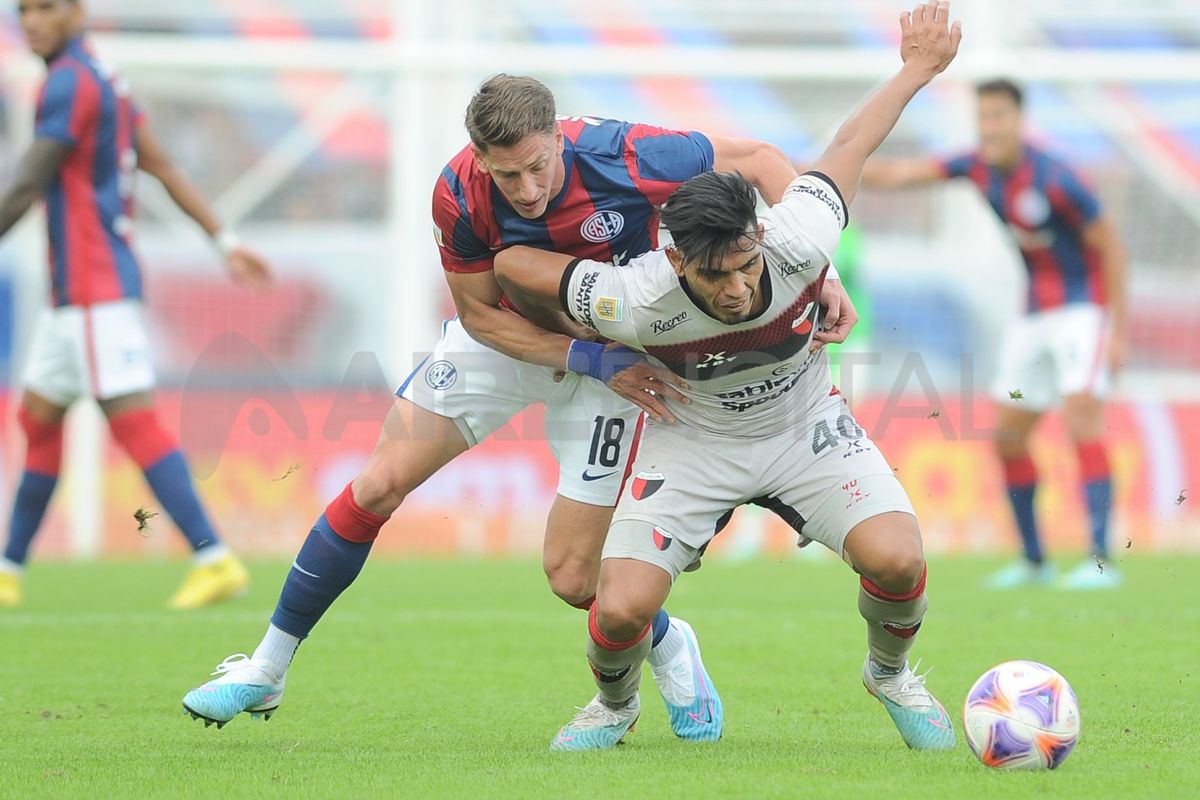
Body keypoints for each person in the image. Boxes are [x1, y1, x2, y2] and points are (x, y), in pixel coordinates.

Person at [181, 74, 858, 735]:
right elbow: (478, 315)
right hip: (522, 347)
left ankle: (670, 641)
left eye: (538, 168)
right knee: (378, 484)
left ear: (557, 139)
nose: (528, 191)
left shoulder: (624, 153)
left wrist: (815, 277)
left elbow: (766, 162)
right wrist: (585, 355)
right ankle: (267, 667)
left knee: (572, 576)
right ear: (480, 160)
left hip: (616, 365)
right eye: (509, 177)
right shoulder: (456, 194)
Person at [492, 1, 961, 752]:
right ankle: (614, 705)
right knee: (616, 612)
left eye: (747, 264)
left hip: (807, 430)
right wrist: (594, 349)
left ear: (759, 238)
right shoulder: (637, 296)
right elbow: (511, 264)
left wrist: (917, 67)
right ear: (677, 263)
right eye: (717, 277)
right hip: (691, 442)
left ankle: (891, 673)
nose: (740, 289)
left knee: (901, 561)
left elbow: (848, 143)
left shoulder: (799, 235)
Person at [0, 0, 271, 609]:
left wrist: (223, 241)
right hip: (75, 297)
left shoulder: (68, 83)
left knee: (133, 422)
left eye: (46, 8)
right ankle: (8, 572)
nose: (32, 21)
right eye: (23, 10)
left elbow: (26, 183)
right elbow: (162, 165)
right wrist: (223, 240)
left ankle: (215, 558)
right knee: (39, 418)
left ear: (76, 11)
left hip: (94, 291)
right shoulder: (106, 79)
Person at [861, 78, 1128, 590]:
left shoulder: (1056, 179)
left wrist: (1116, 330)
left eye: (999, 117)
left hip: (1082, 311)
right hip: (1031, 316)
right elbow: (897, 173)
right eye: (983, 117)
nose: (990, 127)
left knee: (1081, 420)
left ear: (1018, 120)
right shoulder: (975, 167)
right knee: (1007, 439)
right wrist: (817, 172)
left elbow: (1110, 247)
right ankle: (1033, 562)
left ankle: (1101, 562)